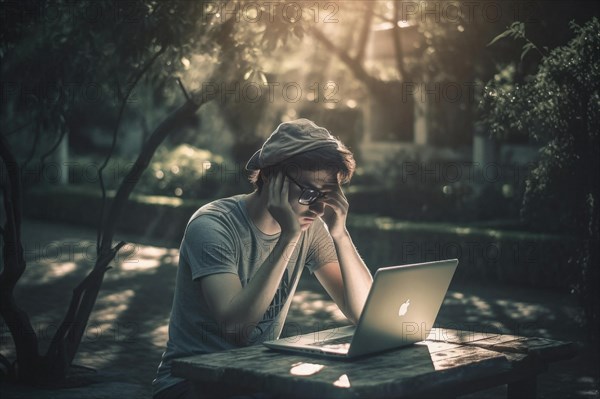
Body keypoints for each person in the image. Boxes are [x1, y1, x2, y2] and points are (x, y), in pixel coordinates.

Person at [152, 118, 373, 399]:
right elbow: (237, 329)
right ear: (270, 177)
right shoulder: (212, 226)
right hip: (188, 384)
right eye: (309, 193)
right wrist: (288, 238)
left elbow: (363, 313)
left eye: (326, 195)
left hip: (254, 379)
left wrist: (340, 235)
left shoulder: (310, 226)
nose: (318, 208)